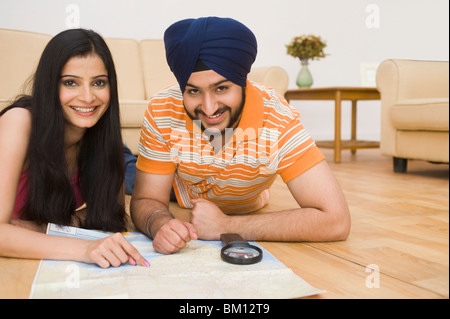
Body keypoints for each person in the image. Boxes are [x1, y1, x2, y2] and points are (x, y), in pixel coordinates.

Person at [130, 17, 350, 255]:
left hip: (231, 200)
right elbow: (147, 200)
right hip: (178, 183)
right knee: (120, 171)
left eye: (221, 88)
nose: (209, 108)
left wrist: (226, 225)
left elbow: (336, 220)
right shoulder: (163, 108)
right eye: (193, 91)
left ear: (243, 82)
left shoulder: (277, 117)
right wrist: (160, 223)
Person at [0, 29, 148, 268]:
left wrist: (45, 226)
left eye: (99, 83)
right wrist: (85, 248)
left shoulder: (103, 136)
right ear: (50, 86)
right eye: (71, 83)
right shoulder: (19, 122)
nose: (88, 97)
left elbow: (109, 214)